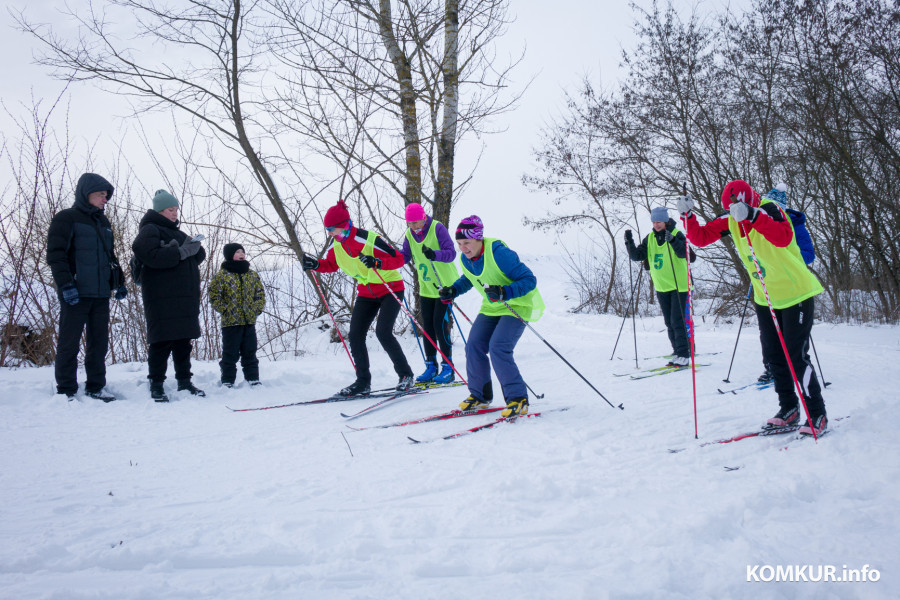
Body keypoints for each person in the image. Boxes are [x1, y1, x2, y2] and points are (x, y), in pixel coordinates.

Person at [677, 180, 827, 435]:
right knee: (773, 356)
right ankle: (788, 409)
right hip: (766, 298)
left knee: (796, 356)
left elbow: (783, 237)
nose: (732, 213)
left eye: (735, 207)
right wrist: (687, 216)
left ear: (747, 201)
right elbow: (700, 238)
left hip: (795, 293)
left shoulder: (770, 209)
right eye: (729, 209)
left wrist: (754, 216)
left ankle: (817, 413)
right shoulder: (732, 220)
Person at [301, 199, 415, 396]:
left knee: (383, 332)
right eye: (327, 229)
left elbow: (398, 258)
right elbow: (331, 265)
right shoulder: (337, 246)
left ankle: (406, 375)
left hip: (390, 288)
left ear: (344, 225)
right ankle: (363, 382)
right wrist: (316, 265)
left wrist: (377, 262)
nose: (329, 233)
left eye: (331, 228)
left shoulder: (368, 239)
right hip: (366, 292)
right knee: (355, 335)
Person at [438, 216, 545, 418]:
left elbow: (529, 279)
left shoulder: (499, 254)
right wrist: (453, 290)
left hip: (517, 305)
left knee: (498, 347)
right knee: (474, 345)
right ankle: (480, 396)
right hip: (492, 307)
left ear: (479, 239)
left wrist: (505, 292)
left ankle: (518, 398)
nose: (463, 248)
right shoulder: (466, 258)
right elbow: (469, 279)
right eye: (459, 244)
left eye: (467, 243)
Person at [46, 173, 128, 401]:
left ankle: (95, 387)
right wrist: (66, 284)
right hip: (76, 292)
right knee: (69, 343)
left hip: (101, 293)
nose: (105, 199)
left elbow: (110, 255)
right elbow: (55, 255)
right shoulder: (66, 218)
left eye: (106, 196)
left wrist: (119, 282)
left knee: (98, 344)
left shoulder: (104, 222)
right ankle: (66, 389)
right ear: (86, 194)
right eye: (101, 195)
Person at [131, 190, 207, 402]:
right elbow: (145, 252)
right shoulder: (150, 229)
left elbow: (198, 255)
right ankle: (156, 384)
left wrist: (192, 247)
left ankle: (184, 381)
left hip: (183, 297)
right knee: (161, 342)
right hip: (161, 297)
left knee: (183, 341)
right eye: (170, 210)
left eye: (175, 210)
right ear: (159, 210)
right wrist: (179, 252)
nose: (175, 214)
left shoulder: (178, 233)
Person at [755, 183, 816, 383]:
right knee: (768, 333)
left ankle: (796, 366)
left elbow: (808, 254)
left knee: (793, 334)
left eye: (773, 207)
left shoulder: (795, 226)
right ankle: (772, 367)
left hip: (792, 286)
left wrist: (786, 260)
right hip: (767, 284)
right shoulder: (760, 224)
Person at [624, 206, 696, 367]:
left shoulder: (676, 234)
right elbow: (637, 256)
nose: (656, 225)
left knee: (678, 321)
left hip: (679, 286)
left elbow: (690, 256)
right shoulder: (649, 238)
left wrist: (673, 241)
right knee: (669, 322)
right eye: (654, 222)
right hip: (662, 287)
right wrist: (629, 241)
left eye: (659, 221)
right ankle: (677, 351)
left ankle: (684, 354)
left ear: (666, 221)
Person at [400, 202, 459, 384]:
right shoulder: (410, 234)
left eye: (417, 222)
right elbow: (405, 255)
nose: (414, 227)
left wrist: (435, 254)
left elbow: (451, 253)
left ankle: (448, 368)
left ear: (424, 217)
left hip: (444, 285)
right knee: (427, 328)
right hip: (426, 287)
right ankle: (431, 366)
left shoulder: (437, 228)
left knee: (439, 325)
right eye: (410, 224)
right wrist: (389, 259)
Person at [209, 243, 265, 388]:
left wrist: (256, 309)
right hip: (231, 322)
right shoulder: (222, 275)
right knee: (230, 353)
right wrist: (225, 309)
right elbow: (214, 296)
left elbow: (260, 294)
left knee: (250, 352)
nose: (241, 254)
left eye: (242, 251)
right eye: (237, 252)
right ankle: (228, 380)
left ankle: (253, 378)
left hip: (249, 321)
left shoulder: (251, 274)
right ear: (229, 255)